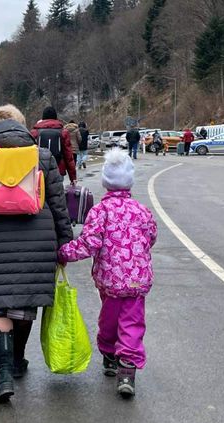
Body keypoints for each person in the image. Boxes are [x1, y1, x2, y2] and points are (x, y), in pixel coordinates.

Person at [0, 104, 73, 403]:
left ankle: (3, 373)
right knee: (24, 304)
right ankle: (18, 360)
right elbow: (58, 204)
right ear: (21, 126)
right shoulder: (41, 155)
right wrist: (64, 244)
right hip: (37, 238)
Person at [58, 149, 157, 398]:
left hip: (110, 281)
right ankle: (127, 370)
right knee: (132, 323)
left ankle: (110, 355)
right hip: (136, 281)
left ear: (105, 181)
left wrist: (63, 253)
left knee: (109, 320)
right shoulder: (142, 211)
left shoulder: (100, 212)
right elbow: (151, 237)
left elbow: (89, 244)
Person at [30, 106, 77, 185]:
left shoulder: (34, 132)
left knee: (41, 194)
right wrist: (73, 177)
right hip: (58, 169)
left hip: (39, 170)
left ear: (43, 118)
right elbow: (69, 156)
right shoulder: (63, 132)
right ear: (56, 118)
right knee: (57, 194)